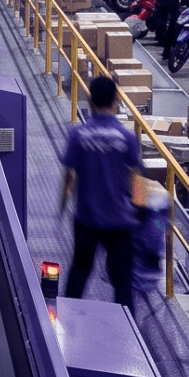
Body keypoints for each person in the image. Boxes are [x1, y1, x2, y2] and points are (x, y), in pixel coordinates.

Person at [60, 73, 139, 307]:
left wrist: (63, 202)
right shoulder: (127, 136)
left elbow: (69, 175)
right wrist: (140, 209)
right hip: (120, 221)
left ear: (89, 100)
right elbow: (136, 177)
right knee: (122, 282)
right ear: (116, 101)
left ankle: (65, 325)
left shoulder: (78, 134)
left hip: (86, 218)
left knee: (79, 271)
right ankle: (129, 336)